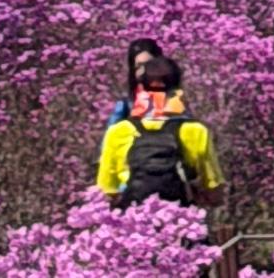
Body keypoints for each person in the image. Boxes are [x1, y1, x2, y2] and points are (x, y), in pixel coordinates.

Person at [96, 54, 226, 213]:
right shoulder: (196, 131)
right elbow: (213, 190)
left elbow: (106, 190)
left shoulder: (119, 131)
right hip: (180, 222)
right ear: (178, 88)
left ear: (141, 88)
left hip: (135, 226)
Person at [107, 36, 164, 126]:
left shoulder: (174, 105)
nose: (144, 71)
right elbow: (110, 137)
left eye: (149, 65)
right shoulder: (124, 108)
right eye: (139, 67)